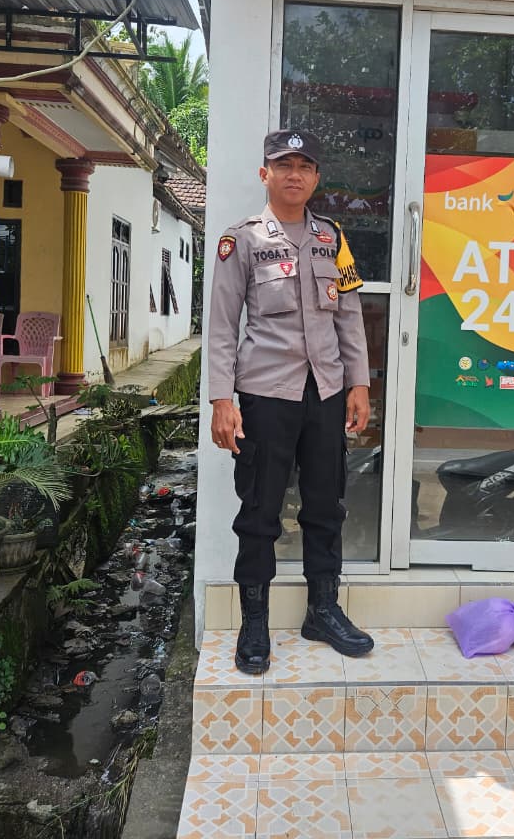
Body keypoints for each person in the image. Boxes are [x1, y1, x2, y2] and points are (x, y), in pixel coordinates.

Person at [207, 129, 374, 675]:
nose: (294, 175)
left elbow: (348, 315)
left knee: (326, 505)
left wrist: (358, 384)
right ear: (266, 174)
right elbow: (222, 325)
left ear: (316, 178)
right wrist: (221, 399)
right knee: (260, 511)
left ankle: (322, 611)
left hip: (325, 392)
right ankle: (254, 622)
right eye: (284, 165)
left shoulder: (332, 238)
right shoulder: (242, 240)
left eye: (304, 166)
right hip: (265, 396)